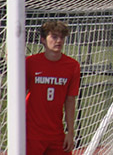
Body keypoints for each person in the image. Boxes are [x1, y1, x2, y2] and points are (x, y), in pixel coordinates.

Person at [26, 20, 81, 155]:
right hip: (31, 133)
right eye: (54, 37)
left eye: (62, 37)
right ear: (43, 40)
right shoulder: (30, 63)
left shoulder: (72, 66)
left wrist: (70, 132)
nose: (59, 41)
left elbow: (70, 100)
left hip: (57, 133)